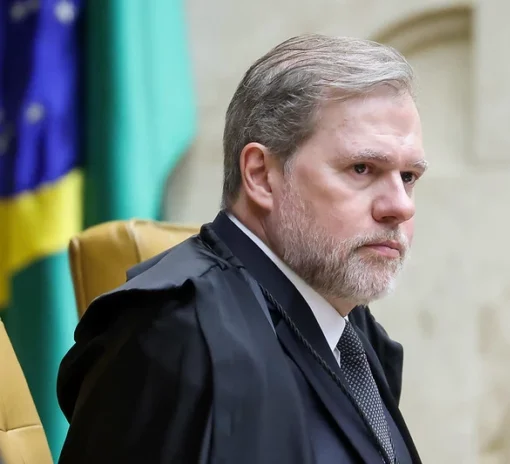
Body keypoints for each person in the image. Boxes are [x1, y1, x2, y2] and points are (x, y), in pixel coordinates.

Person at [56, 34, 428, 464]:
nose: (400, 206)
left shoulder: (351, 332)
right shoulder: (173, 330)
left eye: (408, 177)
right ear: (260, 175)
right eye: (362, 168)